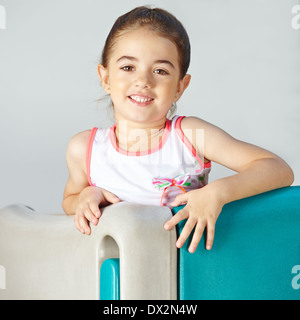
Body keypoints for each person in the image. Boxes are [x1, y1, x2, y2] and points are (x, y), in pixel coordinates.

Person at [62, 6, 294, 253]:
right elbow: (69, 201)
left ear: (180, 87)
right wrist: (86, 196)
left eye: (160, 71)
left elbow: (278, 169)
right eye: (128, 67)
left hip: (187, 276)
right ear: (105, 78)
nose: (143, 81)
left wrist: (219, 192)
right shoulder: (85, 148)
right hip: (118, 280)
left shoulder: (191, 136)